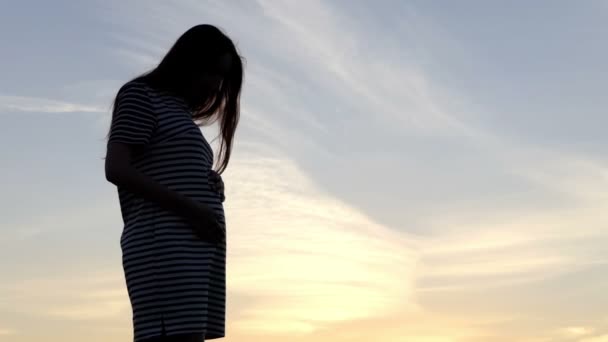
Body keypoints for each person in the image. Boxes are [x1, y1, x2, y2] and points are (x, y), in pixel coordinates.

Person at [104, 24, 243, 342]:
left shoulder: (177, 110)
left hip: (193, 247)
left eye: (221, 77)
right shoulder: (140, 96)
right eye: (212, 72)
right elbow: (117, 169)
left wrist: (205, 180)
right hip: (164, 245)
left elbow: (162, 164)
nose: (215, 84)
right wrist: (192, 208)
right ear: (188, 61)